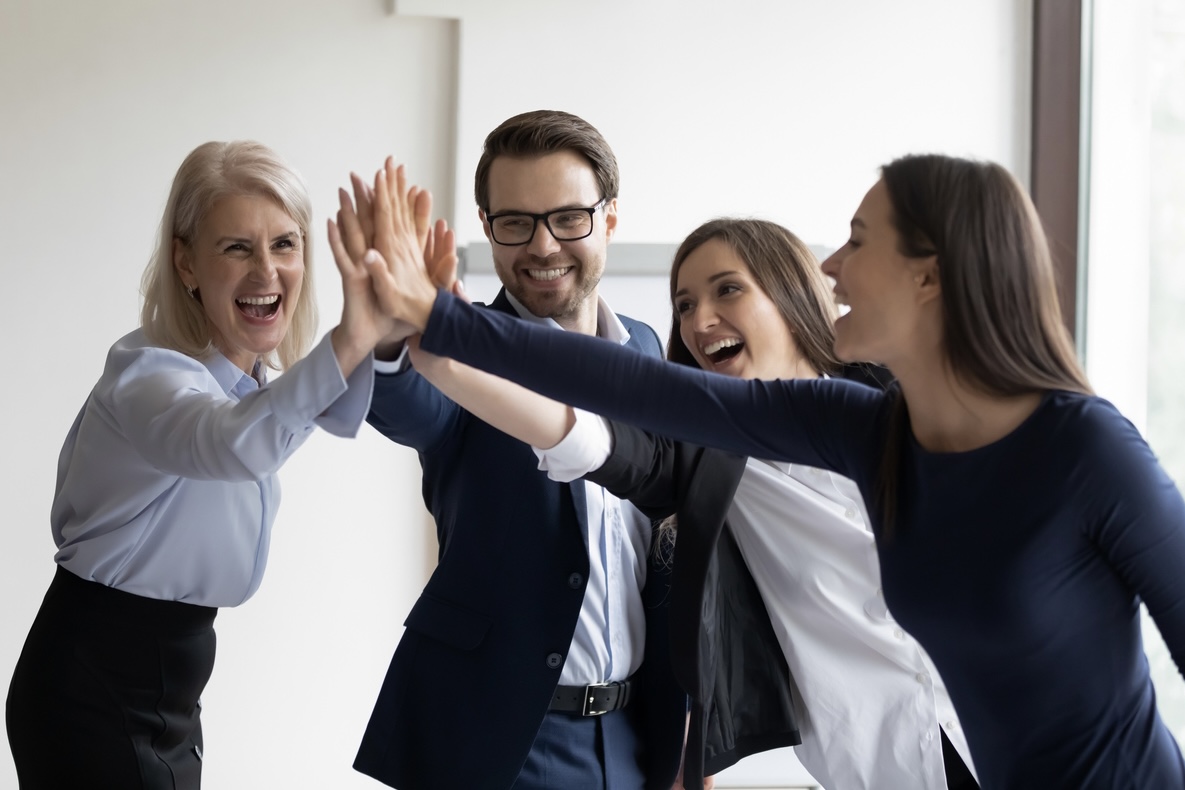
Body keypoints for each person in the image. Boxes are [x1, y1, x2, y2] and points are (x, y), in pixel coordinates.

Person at [369, 153, 1185, 790]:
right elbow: (621, 394)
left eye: (857, 242)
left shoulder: (1080, 446)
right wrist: (439, 326)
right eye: (683, 304)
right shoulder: (850, 430)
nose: (832, 266)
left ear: (929, 274)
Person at [391, 218, 979, 789]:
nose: (700, 320)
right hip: (886, 763)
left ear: (790, 292)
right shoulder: (703, 461)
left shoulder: (905, 395)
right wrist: (447, 357)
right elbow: (579, 434)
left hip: (1005, 729)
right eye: (684, 305)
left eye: (727, 290)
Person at [4, 141, 429, 789]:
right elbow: (230, 445)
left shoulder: (249, 386)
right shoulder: (148, 376)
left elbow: (306, 415)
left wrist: (390, 323)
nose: (267, 271)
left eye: (284, 244)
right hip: (93, 683)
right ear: (186, 262)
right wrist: (353, 335)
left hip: (170, 682)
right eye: (237, 248)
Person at [350, 111, 686, 790]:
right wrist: (388, 338)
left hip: (633, 737)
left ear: (609, 219)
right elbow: (411, 405)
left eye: (567, 218)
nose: (542, 245)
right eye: (515, 222)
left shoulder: (650, 349)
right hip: (503, 742)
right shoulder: (462, 345)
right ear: (486, 225)